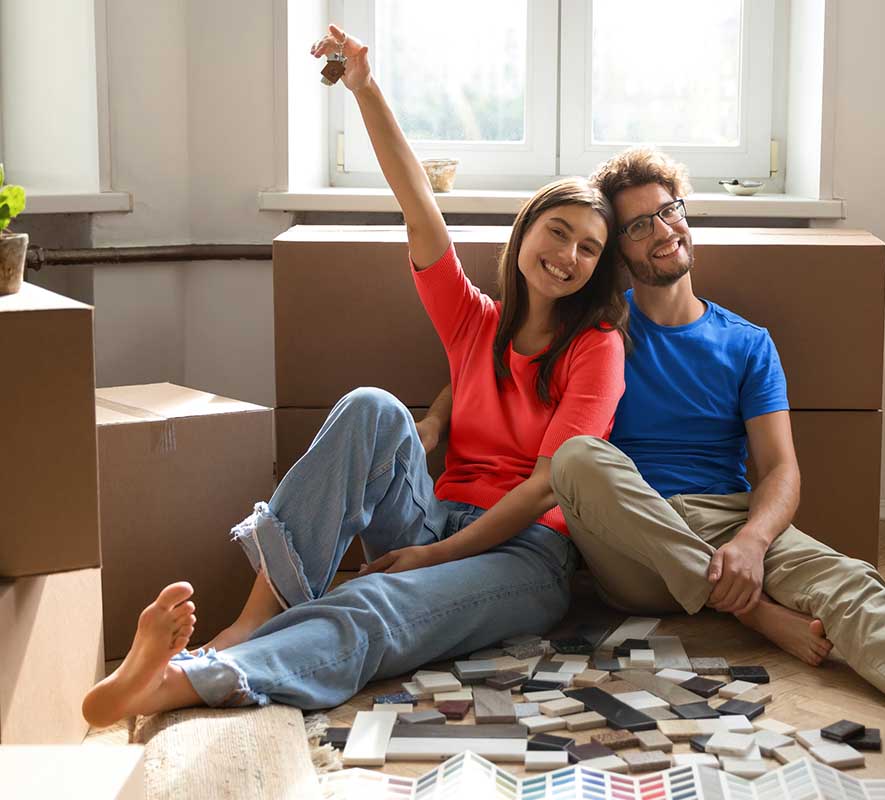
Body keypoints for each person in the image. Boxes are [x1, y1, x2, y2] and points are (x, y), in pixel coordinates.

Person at [81, 23, 627, 727]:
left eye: (589, 248)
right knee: (372, 405)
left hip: (527, 555)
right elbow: (417, 201)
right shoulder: (476, 322)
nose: (569, 255)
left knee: (376, 601)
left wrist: (434, 557)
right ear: (526, 230)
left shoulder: (597, 347)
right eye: (559, 231)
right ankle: (250, 621)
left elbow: (546, 484)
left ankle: (183, 681)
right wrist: (364, 88)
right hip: (436, 514)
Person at [426, 149, 885, 719]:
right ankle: (749, 611)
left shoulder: (748, 343)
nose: (664, 231)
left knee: (848, 581)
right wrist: (436, 420)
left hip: (727, 520)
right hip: (628, 539)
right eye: (639, 226)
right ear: (617, 251)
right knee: (579, 458)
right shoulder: (592, 333)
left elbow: (780, 469)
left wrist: (753, 542)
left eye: (670, 212)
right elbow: (489, 367)